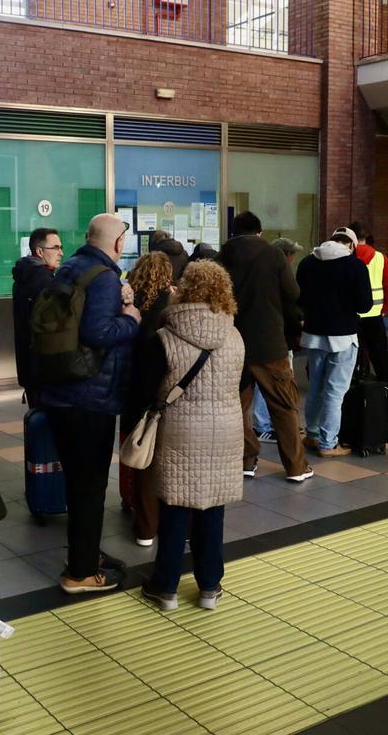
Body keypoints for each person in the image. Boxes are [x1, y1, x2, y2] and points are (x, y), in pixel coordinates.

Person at [40, 213, 140, 594]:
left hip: (61, 392)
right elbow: (99, 332)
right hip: (90, 398)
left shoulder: (71, 267)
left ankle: (86, 551)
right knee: (90, 485)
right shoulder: (103, 278)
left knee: (80, 481)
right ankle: (80, 573)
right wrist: (131, 317)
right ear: (117, 244)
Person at [138, 260, 244, 612]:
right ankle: (210, 587)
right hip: (226, 430)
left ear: (184, 289)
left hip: (181, 429)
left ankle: (166, 587)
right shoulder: (234, 336)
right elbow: (240, 384)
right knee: (213, 508)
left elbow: (147, 386)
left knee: (175, 507)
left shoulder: (165, 336)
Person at [218, 211, 312, 482]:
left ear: (234, 232)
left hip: (232, 344)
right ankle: (296, 467)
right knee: (283, 406)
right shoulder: (273, 255)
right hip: (269, 344)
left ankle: (246, 461)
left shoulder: (221, 257)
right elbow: (293, 294)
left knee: (237, 407)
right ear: (259, 232)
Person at [296, 227, 373, 457]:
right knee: (335, 392)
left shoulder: (308, 263)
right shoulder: (355, 266)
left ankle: (311, 434)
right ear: (351, 245)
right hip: (343, 337)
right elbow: (364, 305)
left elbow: (299, 297)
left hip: (313, 335)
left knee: (315, 388)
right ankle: (328, 443)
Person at [120, 251, 174, 548]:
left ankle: (131, 499)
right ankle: (155, 515)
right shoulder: (169, 303)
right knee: (157, 451)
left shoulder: (129, 298)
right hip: (158, 386)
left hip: (131, 383)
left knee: (133, 442)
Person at [251, 237, 302, 443]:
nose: (292, 259)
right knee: (274, 382)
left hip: (264, 337)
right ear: (285, 255)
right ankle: (263, 425)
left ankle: (265, 423)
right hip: (274, 340)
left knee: (266, 383)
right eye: (291, 255)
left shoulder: (260, 273)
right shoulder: (279, 275)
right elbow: (290, 300)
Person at [12, 227, 63, 406]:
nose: (61, 253)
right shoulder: (43, 281)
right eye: (55, 248)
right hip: (43, 367)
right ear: (40, 251)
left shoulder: (23, 275)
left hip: (29, 365)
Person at [349, 221, 388, 387]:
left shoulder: (347, 258)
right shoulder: (380, 258)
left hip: (352, 316)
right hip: (375, 316)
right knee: (380, 355)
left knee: (353, 356)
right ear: (367, 237)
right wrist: (384, 309)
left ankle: (354, 392)